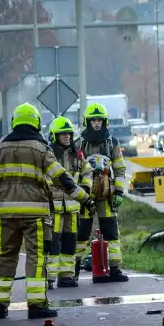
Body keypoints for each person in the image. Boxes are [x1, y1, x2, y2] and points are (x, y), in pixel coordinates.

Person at [0, 104, 89, 319]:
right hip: (34, 214)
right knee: (36, 257)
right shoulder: (41, 148)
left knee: (6, 256)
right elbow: (61, 177)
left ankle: (0, 303)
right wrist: (84, 198)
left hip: (7, 214)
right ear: (36, 122)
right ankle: (36, 305)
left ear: (14, 122)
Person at [77, 102, 129, 281]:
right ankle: (72, 273)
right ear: (88, 122)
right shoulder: (80, 144)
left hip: (106, 195)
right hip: (85, 196)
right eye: (93, 121)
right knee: (82, 233)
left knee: (111, 232)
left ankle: (115, 270)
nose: (97, 124)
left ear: (104, 122)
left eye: (99, 120)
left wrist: (119, 192)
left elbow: (120, 170)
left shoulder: (112, 143)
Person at [48, 117, 93, 288]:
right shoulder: (49, 155)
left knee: (69, 242)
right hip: (55, 208)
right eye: (63, 134)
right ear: (55, 135)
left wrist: (85, 189)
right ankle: (49, 277)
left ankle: (66, 276)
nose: (67, 136)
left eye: (69, 133)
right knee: (53, 242)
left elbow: (87, 171)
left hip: (73, 207)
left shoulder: (77, 153)